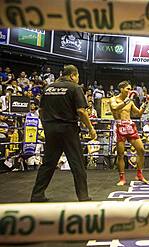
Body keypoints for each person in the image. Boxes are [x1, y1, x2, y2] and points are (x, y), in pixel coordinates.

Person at [30, 65, 97, 202]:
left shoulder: (48, 88)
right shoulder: (74, 88)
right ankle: (83, 196)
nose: (78, 79)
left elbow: (41, 110)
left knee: (48, 163)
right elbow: (81, 111)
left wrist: (47, 126)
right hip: (68, 129)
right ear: (73, 75)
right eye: (77, 76)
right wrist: (90, 128)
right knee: (77, 163)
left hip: (51, 128)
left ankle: (37, 194)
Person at [109, 81, 149, 185]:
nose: (130, 90)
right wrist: (127, 100)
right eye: (127, 89)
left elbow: (138, 113)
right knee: (120, 154)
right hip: (119, 126)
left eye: (130, 89)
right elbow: (115, 107)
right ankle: (122, 178)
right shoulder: (113, 99)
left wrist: (146, 102)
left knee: (141, 150)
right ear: (121, 89)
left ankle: (139, 174)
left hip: (130, 126)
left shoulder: (130, 102)